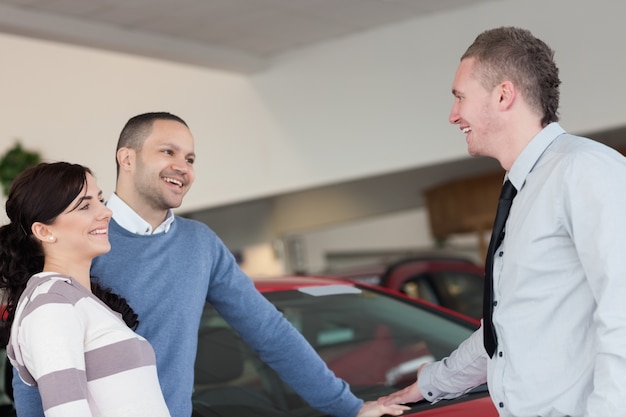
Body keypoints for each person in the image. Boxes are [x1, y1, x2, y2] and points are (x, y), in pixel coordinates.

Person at [11, 113, 408, 417]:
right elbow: (35, 374)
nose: (183, 166)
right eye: (167, 152)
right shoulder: (77, 242)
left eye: (191, 158)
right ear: (126, 158)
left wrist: (349, 407)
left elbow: (269, 331)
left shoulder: (199, 244)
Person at [378, 26, 626, 416]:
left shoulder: (585, 170)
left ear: (504, 95)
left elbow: (623, 311)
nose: (453, 115)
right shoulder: (522, 189)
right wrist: (428, 387)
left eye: (460, 97)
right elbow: (506, 330)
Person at [0, 162, 170, 416]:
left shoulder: (77, 300)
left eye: (100, 200)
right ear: (44, 231)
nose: (106, 212)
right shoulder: (50, 304)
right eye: (85, 205)